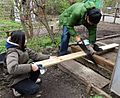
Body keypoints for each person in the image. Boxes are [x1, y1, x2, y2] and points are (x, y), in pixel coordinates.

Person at [5, 30, 50, 97]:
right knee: (34, 89)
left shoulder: (23, 48)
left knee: (38, 66)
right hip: (15, 78)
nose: (26, 40)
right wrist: (30, 67)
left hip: (23, 73)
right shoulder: (12, 52)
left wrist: (49, 57)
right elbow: (12, 68)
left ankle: (30, 81)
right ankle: (16, 89)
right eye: (24, 38)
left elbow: (36, 55)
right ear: (19, 40)